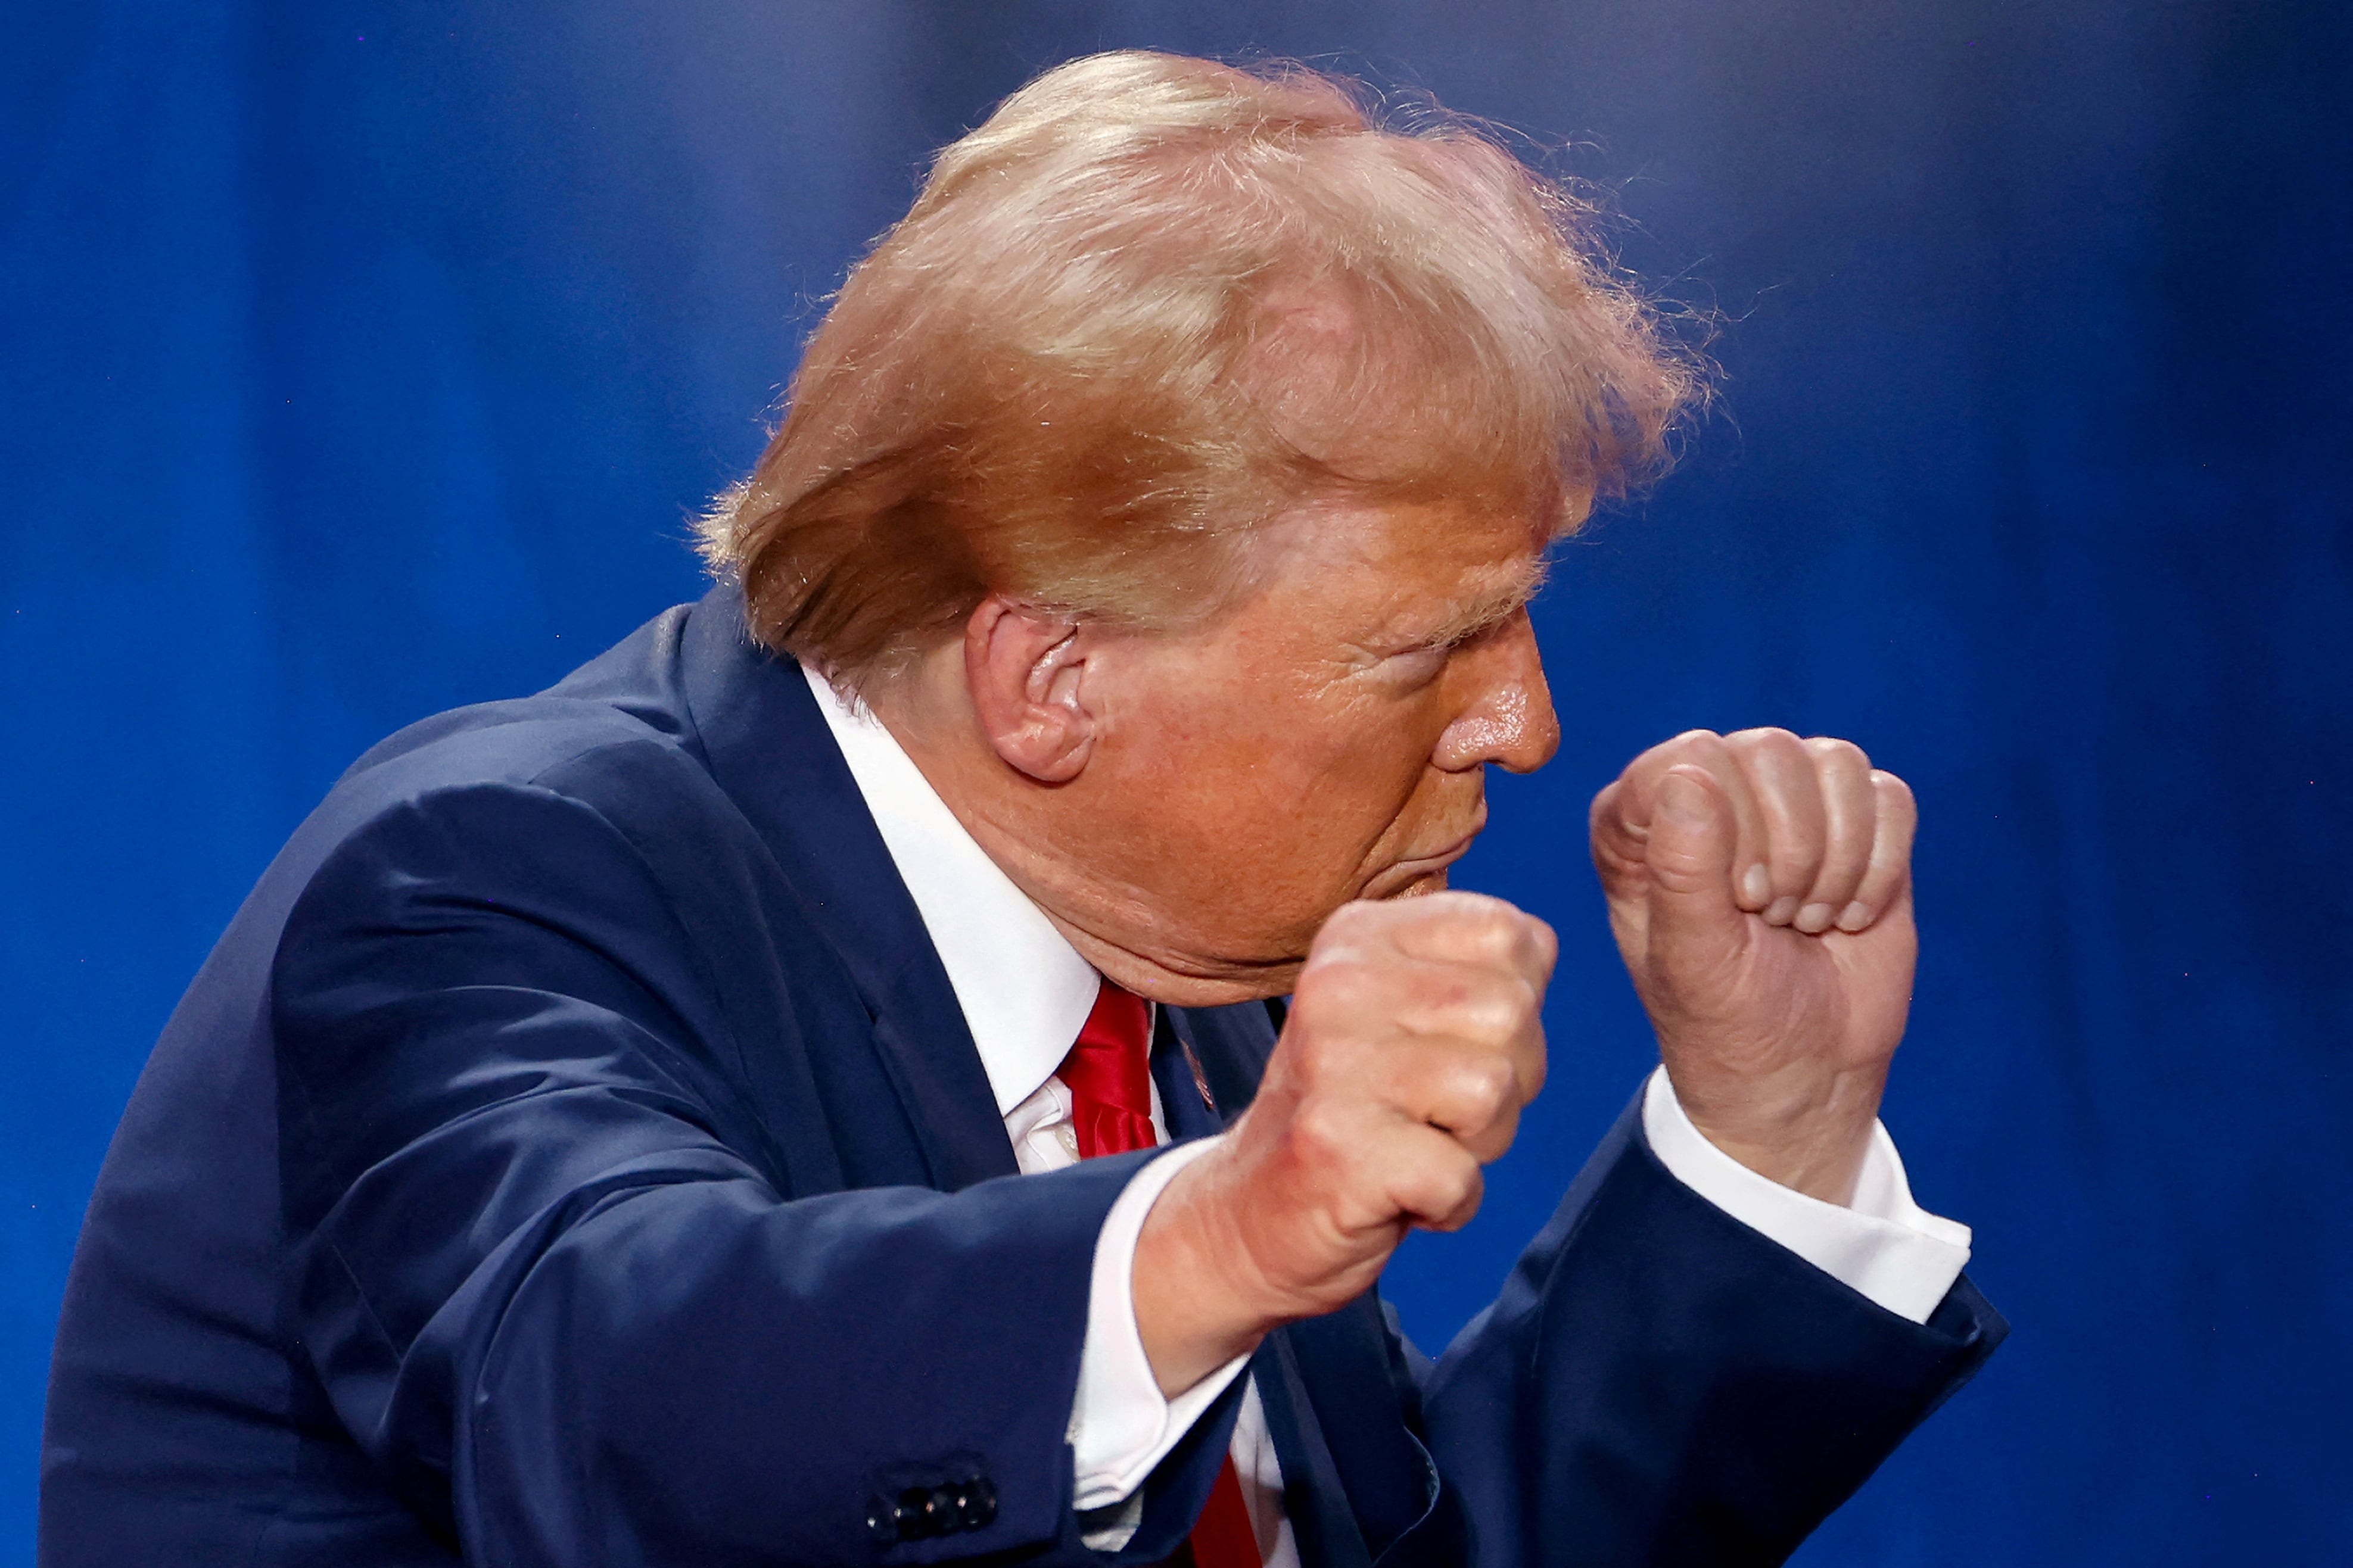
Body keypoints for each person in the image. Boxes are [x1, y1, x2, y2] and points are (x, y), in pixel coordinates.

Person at [40, 49, 2002, 1568]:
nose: (1530, 721)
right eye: (1434, 646)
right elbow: (598, 1391)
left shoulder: (1163, 970)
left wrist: (1769, 1136)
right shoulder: (495, 874)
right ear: (1053, 680)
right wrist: (1218, 1234)